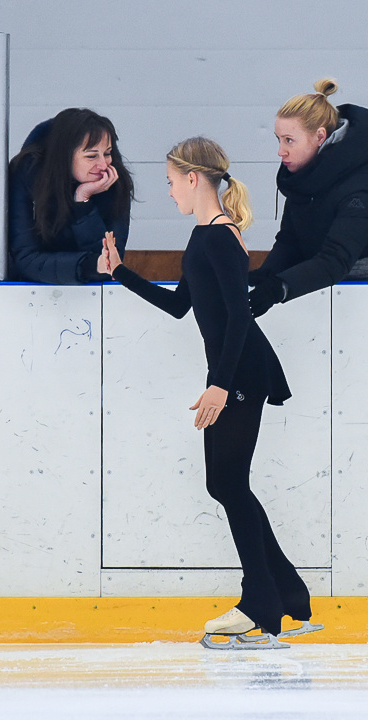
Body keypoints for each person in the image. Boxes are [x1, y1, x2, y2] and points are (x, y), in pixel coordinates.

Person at [101, 137, 319, 647]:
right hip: (232, 373)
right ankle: (287, 593)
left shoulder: (219, 238)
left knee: (229, 483)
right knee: (224, 485)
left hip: (239, 375)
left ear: (194, 179)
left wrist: (220, 384)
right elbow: (181, 305)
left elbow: (239, 317)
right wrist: (120, 273)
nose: (171, 192)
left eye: (173, 182)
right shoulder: (205, 237)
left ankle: (260, 604)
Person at [247, 78, 368, 317]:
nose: (280, 151)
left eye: (289, 140)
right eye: (278, 139)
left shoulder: (364, 185)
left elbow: (335, 260)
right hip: (350, 289)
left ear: (319, 136)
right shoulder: (302, 180)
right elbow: (290, 241)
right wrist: (267, 275)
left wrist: (279, 287)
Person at [8, 108, 134, 284]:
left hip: (93, 295)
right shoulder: (28, 175)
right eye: (91, 156)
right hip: (29, 293)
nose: (104, 164)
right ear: (64, 156)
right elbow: (26, 258)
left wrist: (83, 202)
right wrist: (87, 267)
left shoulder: (115, 182)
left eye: (107, 153)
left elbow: (109, 261)